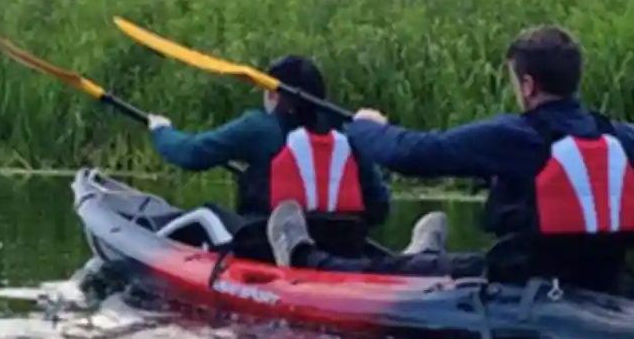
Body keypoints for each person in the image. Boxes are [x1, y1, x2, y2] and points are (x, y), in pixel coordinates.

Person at [265, 25, 634, 292]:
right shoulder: (625, 137)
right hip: (606, 281)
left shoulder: (517, 135)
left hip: (521, 282)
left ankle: (302, 256)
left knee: (383, 269)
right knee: (427, 264)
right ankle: (421, 253)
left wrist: (364, 126)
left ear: (527, 85)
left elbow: (412, 154)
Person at [144, 55, 445, 260]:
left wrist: (161, 130)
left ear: (274, 95)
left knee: (207, 213)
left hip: (267, 246)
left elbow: (189, 154)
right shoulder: (349, 132)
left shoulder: (259, 126)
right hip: (344, 246)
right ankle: (410, 261)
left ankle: (145, 246)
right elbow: (378, 207)